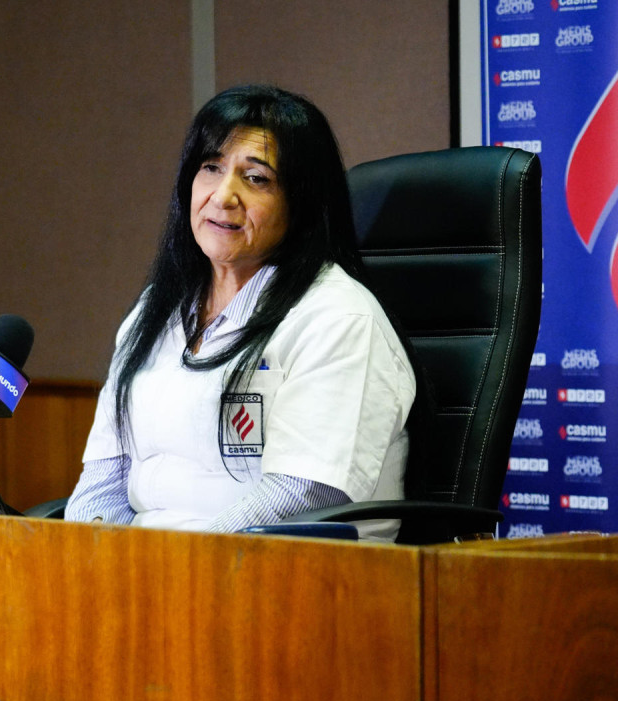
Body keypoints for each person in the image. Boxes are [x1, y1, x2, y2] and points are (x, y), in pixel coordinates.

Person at [65, 85, 416, 541]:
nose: (223, 195)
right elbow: (102, 486)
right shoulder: (155, 315)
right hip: (154, 579)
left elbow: (302, 493)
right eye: (211, 168)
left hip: (290, 579)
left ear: (302, 204)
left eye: (256, 179)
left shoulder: (338, 319)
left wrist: (175, 570)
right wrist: (99, 566)